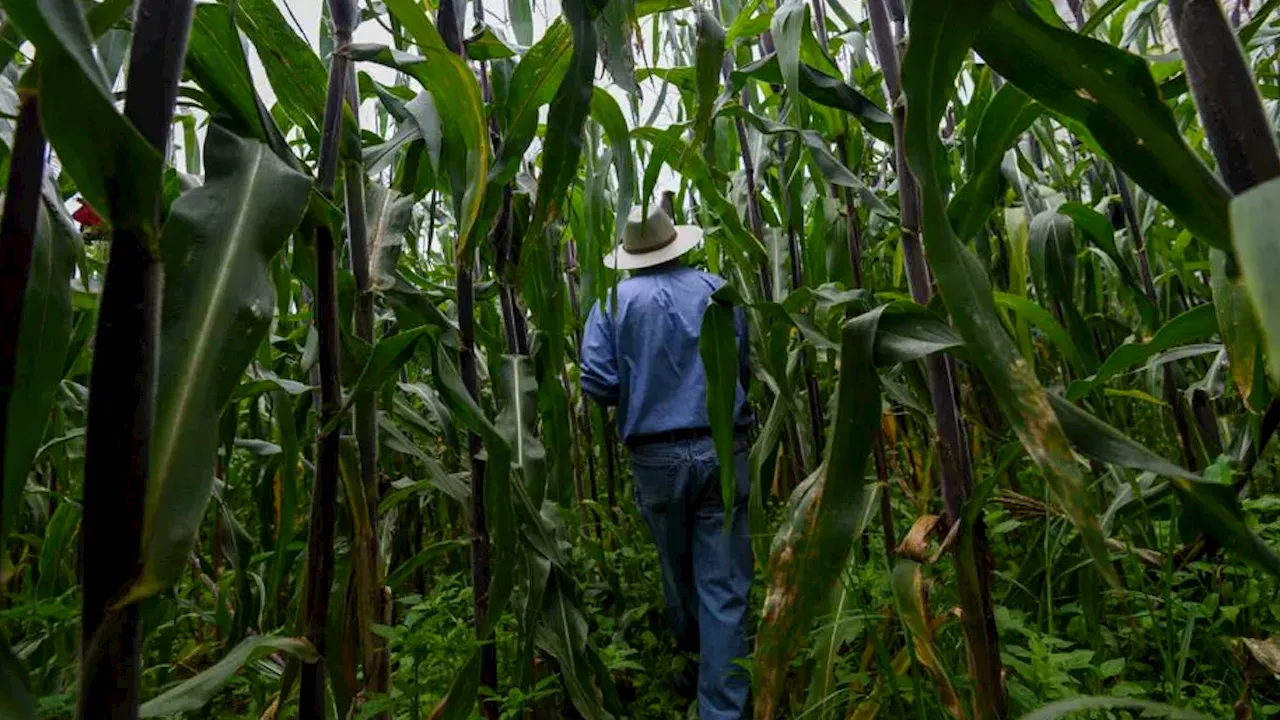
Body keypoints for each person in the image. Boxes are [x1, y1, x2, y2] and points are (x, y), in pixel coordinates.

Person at [580, 207, 753, 719]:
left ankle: (699, 666)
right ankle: (720, 694)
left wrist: (643, 383)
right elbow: (740, 360)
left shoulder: (612, 303)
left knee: (677, 573)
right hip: (721, 445)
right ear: (676, 242)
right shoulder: (716, 290)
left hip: (654, 458)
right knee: (721, 585)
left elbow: (598, 383)